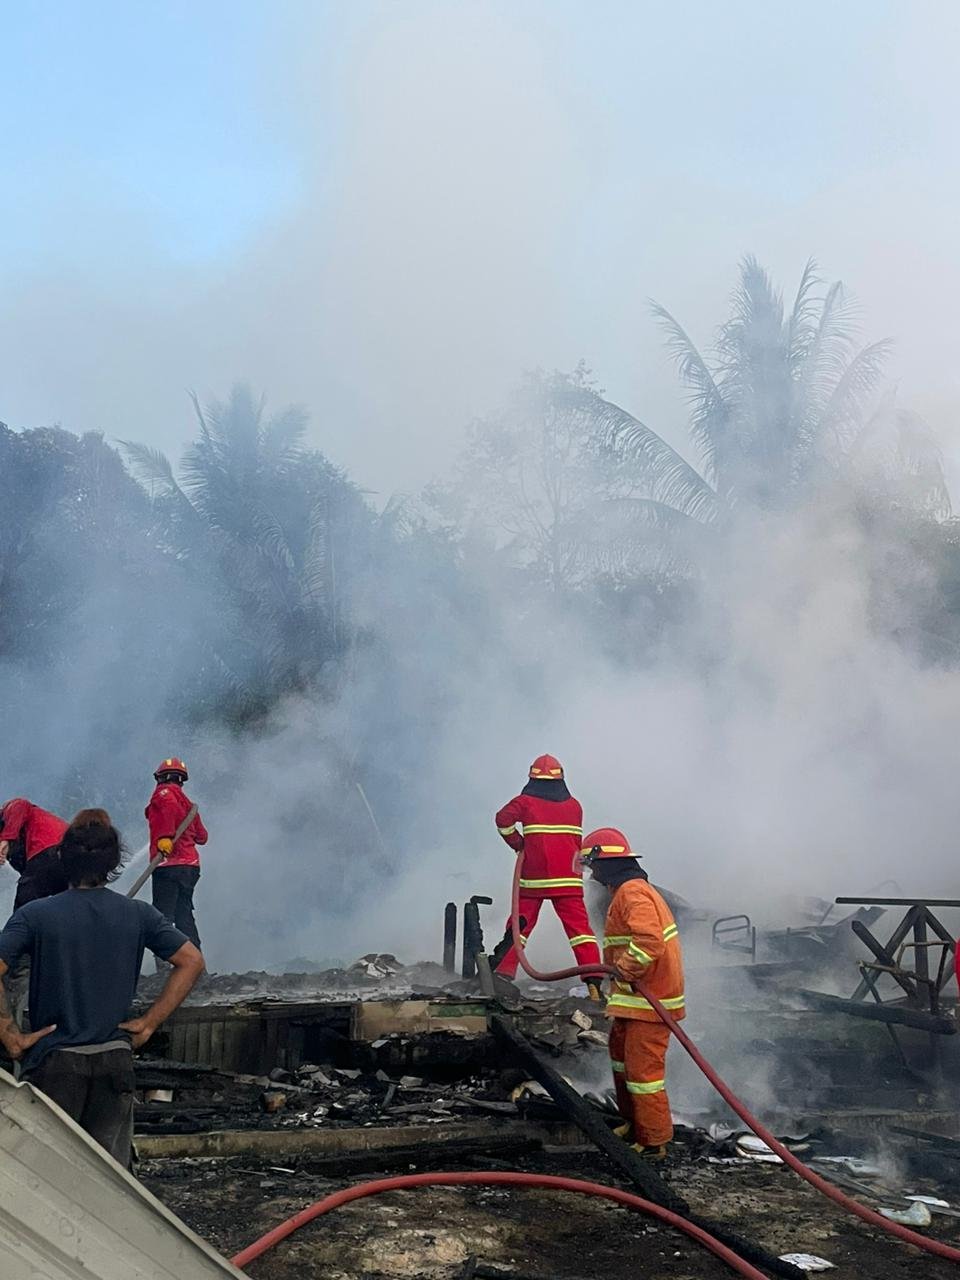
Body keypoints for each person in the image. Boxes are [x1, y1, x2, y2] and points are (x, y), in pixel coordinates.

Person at [0, 809, 204, 1166]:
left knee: (45, 1174)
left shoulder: (35, 915)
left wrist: (10, 1035)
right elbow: (191, 961)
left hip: (53, 1063)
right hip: (115, 1060)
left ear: (61, 856)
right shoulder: (139, 914)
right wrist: (149, 1023)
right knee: (109, 1181)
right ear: (114, 863)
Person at [579, 826, 685, 1159]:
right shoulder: (623, 892)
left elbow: (649, 942)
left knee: (643, 1075)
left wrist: (624, 969)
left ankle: (653, 1141)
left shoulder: (633, 893)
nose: (590, 872)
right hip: (633, 1002)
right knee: (622, 1063)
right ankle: (632, 1123)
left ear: (604, 861)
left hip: (650, 1003)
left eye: (591, 864)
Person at [493, 755, 603, 993]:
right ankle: (594, 980)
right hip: (569, 880)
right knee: (580, 931)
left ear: (532, 778)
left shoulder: (525, 802)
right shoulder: (575, 806)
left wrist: (518, 843)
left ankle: (502, 973)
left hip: (535, 878)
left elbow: (502, 820)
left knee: (519, 925)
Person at [145, 757, 208, 948]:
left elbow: (168, 806)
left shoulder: (163, 794)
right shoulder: (189, 806)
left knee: (162, 918)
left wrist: (165, 835)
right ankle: (195, 964)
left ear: (160, 778)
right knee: (184, 915)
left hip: (168, 865)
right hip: (190, 868)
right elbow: (202, 837)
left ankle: (165, 966)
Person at [0, 797, 68, 908]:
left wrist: (6, 838)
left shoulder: (9, 811)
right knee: (67, 904)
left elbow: (20, 804)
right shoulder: (14, 847)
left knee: (25, 901)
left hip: (51, 848)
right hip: (72, 858)